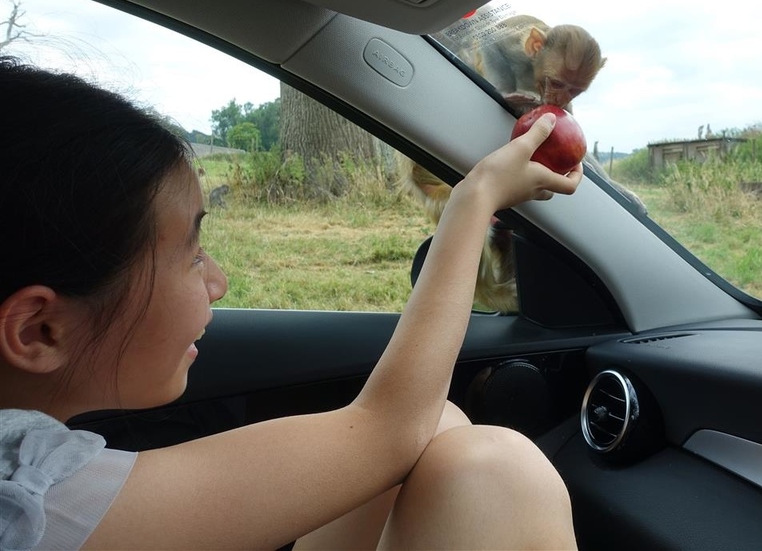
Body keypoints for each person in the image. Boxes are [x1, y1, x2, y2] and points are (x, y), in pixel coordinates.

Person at [0, 56, 582, 550]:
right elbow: (386, 431)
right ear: (40, 330)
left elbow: (393, 438)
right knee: (500, 470)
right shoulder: (26, 504)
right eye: (192, 253)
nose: (218, 282)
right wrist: (475, 200)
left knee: (445, 425)